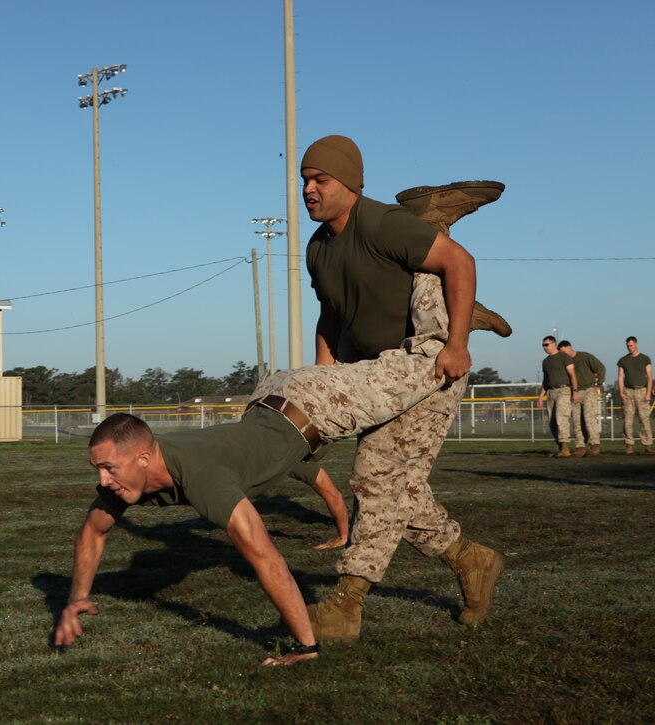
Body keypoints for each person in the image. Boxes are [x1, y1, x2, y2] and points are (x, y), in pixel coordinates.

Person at [55, 336, 454, 666]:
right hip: (271, 399)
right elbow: (93, 531)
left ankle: (449, 329)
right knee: (351, 358)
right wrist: (77, 598)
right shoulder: (134, 473)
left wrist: (305, 645)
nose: (102, 481)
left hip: (311, 406)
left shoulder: (203, 477)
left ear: (144, 458)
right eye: (98, 470)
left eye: (108, 468)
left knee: (429, 369)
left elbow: (268, 559)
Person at [298, 134, 504, 643]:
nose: (308, 189)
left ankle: (347, 604)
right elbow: (330, 315)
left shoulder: (383, 223)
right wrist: (327, 380)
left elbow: (460, 262)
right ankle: (471, 559)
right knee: (401, 492)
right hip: (380, 378)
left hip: (431, 370)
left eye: (319, 179)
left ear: (348, 183)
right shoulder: (318, 248)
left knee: (374, 481)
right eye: (304, 179)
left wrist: (456, 345)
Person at [558, 341, 605, 457]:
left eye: (564, 351)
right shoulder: (564, 362)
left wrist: (599, 384)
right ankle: (580, 446)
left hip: (588, 390)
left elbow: (600, 368)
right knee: (576, 421)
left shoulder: (584, 356)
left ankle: (594, 445)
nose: (563, 354)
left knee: (589, 418)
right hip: (574, 392)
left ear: (569, 347)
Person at [537, 336, 579, 458]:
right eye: (543, 345)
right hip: (551, 392)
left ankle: (565, 448)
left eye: (547, 344)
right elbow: (545, 380)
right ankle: (561, 447)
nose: (545, 347)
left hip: (563, 390)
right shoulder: (545, 361)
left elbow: (572, 375)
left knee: (561, 418)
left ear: (554, 343)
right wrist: (540, 397)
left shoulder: (564, 357)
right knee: (552, 422)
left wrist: (575, 391)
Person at [616, 336, 653, 455]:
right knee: (627, 419)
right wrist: (621, 393)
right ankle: (629, 445)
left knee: (644, 419)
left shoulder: (644, 358)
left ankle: (647, 445)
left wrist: (648, 393)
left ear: (636, 344)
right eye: (627, 346)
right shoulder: (623, 360)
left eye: (631, 345)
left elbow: (649, 376)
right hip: (628, 391)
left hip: (641, 391)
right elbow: (621, 377)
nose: (629, 348)